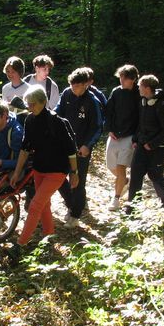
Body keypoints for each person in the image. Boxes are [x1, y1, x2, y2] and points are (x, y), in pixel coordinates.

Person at [9, 86, 78, 248]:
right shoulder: (30, 120)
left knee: (35, 206)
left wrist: (74, 172)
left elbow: (71, 150)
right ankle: (49, 235)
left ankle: (20, 244)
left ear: (43, 102)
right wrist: (17, 172)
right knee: (44, 204)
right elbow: (25, 149)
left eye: (33, 104)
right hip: (39, 169)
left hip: (57, 171)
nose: (30, 107)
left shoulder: (57, 122)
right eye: (28, 104)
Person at [55, 68, 103, 228]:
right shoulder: (67, 94)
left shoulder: (92, 101)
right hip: (63, 145)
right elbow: (57, 114)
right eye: (71, 85)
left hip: (81, 148)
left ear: (85, 85)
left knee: (78, 181)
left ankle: (76, 214)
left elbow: (97, 127)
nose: (73, 89)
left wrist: (87, 146)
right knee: (59, 177)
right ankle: (71, 205)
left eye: (76, 86)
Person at [126, 75, 164, 213]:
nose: (138, 88)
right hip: (141, 147)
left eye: (140, 86)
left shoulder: (163, 107)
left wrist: (152, 144)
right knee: (135, 176)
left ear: (147, 88)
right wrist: (136, 140)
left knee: (155, 176)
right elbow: (140, 125)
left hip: (156, 150)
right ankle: (132, 208)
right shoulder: (143, 103)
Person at [104, 65, 140, 211]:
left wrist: (137, 137)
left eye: (124, 78)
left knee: (120, 167)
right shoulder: (116, 92)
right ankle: (124, 181)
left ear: (133, 79)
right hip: (114, 135)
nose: (122, 81)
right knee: (111, 166)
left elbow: (142, 117)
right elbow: (108, 111)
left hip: (130, 136)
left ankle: (116, 198)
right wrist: (109, 129)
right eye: (120, 77)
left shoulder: (139, 93)